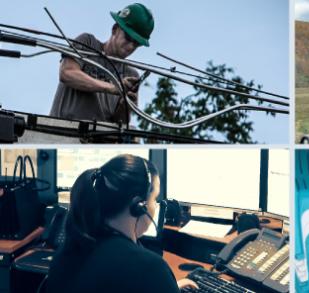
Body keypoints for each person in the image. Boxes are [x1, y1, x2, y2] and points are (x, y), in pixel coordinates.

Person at [45, 154, 197, 293]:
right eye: (154, 199)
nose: (154, 206)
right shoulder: (150, 269)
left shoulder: (66, 253)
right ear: (139, 206)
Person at [49, 3, 154, 124]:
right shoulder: (88, 43)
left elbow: (120, 123)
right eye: (128, 38)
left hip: (99, 139)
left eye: (136, 44)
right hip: (61, 132)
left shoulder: (130, 74)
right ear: (115, 29)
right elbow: (67, 73)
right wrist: (114, 88)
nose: (130, 46)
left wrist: (125, 106)